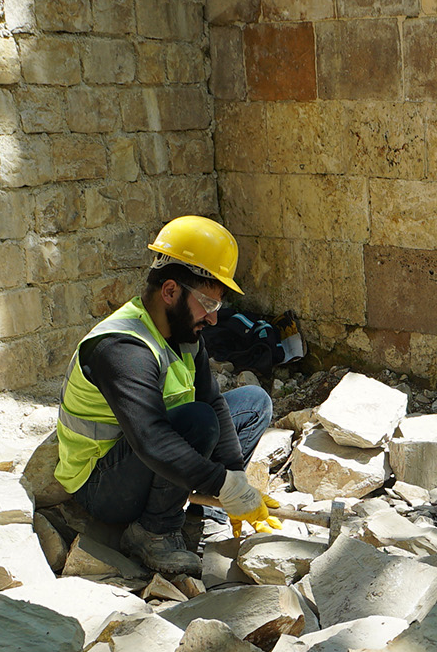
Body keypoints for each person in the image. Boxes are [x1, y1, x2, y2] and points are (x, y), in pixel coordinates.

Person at [54, 216, 278, 575]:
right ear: (171, 291)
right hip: (102, 485)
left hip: (149, 461)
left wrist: (235, 477)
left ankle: (197, 508)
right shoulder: (122, 347)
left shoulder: (183, 336)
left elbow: (214, 401)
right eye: (208, 303)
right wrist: (223, 483)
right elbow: (153, 441)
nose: (213, 319)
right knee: (197, 423)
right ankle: (154, 532)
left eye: (217, 306)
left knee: (253, 403)